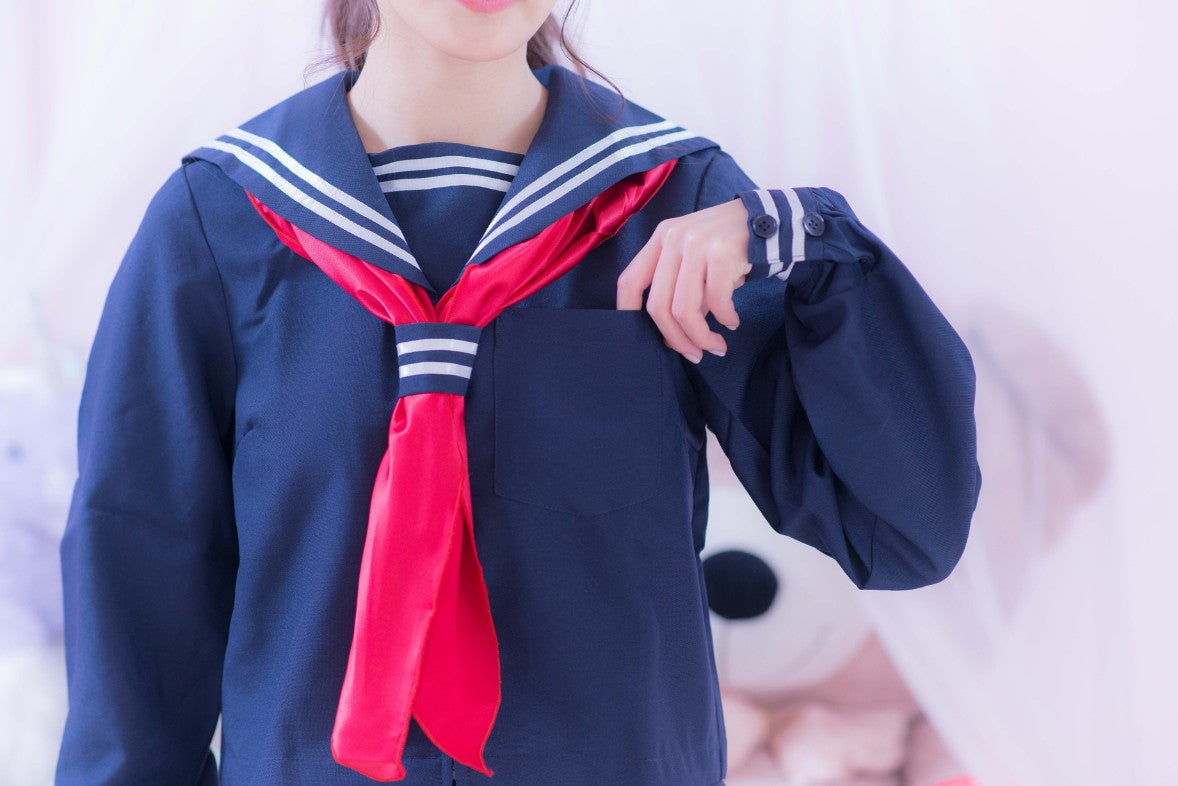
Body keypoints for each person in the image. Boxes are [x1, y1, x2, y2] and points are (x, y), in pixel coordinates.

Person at [54, 0, 983, 783]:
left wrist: (807, 240)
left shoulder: (671, 202)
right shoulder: (217, 222)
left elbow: (902, 528)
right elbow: (138, 582)